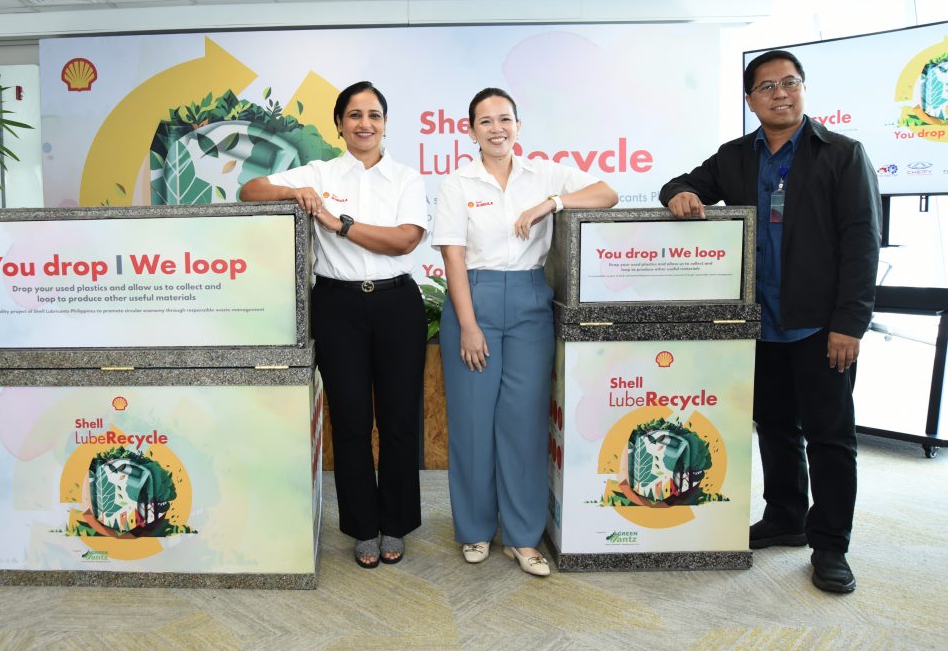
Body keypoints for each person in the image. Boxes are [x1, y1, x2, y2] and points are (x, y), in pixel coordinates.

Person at [659, 49, 879, 594]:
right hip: (758, 324)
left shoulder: (842, 154)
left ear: (802, 90)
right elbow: (679, 184)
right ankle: (785, 517)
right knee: (776, 428)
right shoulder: (736, 157)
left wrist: (849, 324)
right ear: (750, 99)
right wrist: (681, 194)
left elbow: (861, 242)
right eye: (768, 86)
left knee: (831, 438)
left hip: (820, 326)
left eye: (791, 83)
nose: (781, 93)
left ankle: (830, 545)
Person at [240, 81, 426, 569]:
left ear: (385, 123)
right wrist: (294, 189)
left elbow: (404, 241)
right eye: (355, 115)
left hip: (397, 305)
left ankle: (396, 524)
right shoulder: (320, 172)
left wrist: (337, 222)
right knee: (349, 422)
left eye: (375, 115)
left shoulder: (407, 177)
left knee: (400, 420)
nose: (365, 123)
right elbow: (249, 190)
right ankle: (363, 527)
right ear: (340, 124)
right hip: (338, 306)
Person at [433, 87, 617, 576]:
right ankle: (474, 529)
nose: (497, 129)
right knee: (473, 423)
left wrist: (550, 204)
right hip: (474, 298)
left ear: (518, 126)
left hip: (532, 301)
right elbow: (452, 254)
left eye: (505, 119)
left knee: (524, 423)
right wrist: (468, 325)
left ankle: (521, 536)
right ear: (470, 131)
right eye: (486, 121)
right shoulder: (457, 182)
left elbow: (607, 193)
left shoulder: (546, 174)